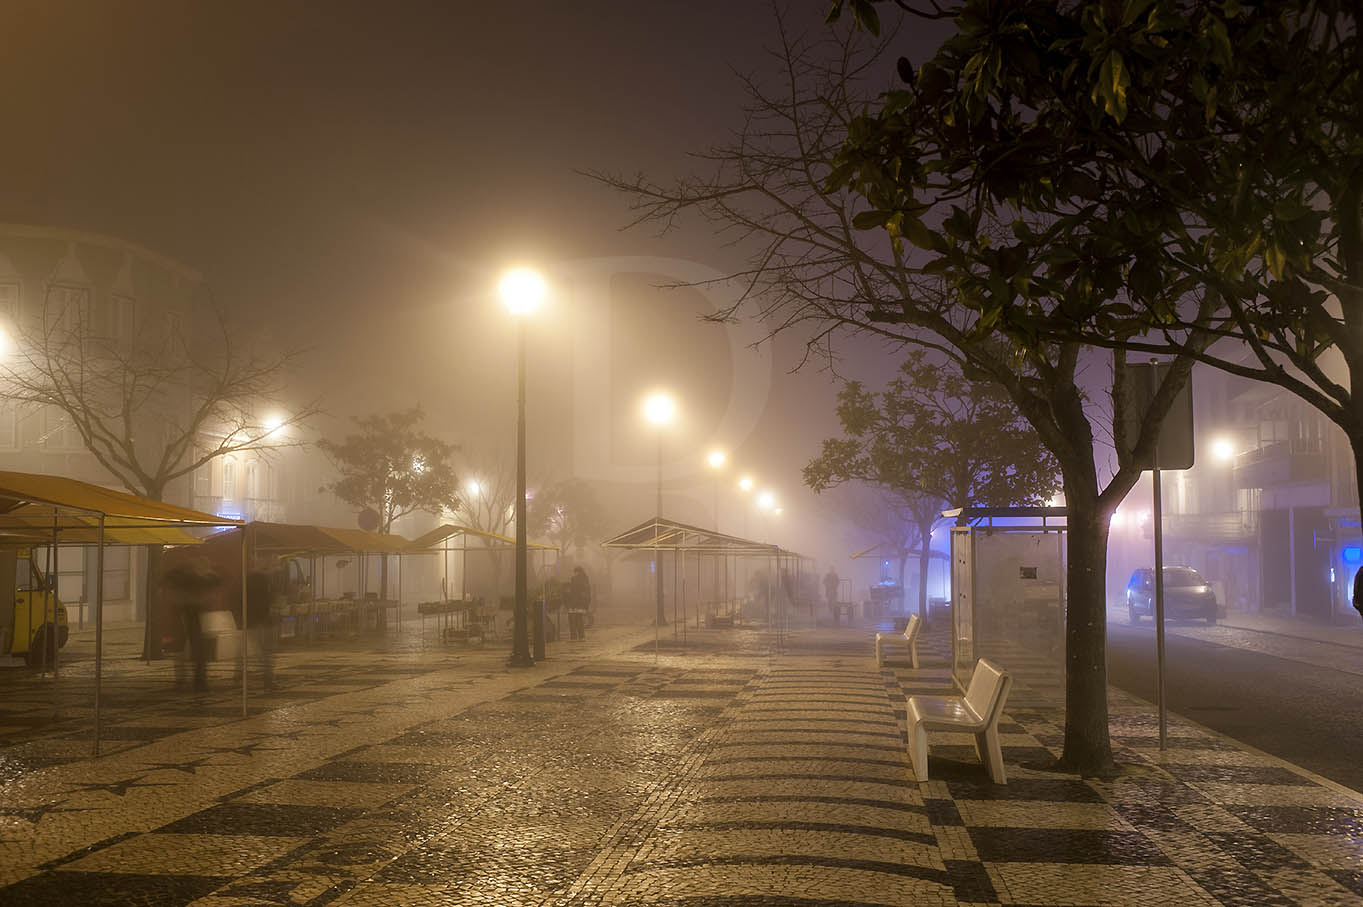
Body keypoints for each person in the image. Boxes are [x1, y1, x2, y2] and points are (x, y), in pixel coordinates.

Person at [164, 555, 222, 692]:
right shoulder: (194, 580)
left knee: (186, 651)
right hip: (191, 618)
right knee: (195, 651)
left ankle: (185, 679)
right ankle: (197, 681)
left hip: (189, 617)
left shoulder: (186, 579)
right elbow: (214, 582)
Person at [245, 560, 280, 690]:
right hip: (262, 620)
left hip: (256, 620)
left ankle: (267, 676)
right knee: (266, 651)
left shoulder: (252, 580)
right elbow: (267, 600)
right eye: (274, 567)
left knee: (263, 651)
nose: (275, 570)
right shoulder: (262, 581)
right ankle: (268, 678)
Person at [567, 566, 592, 641]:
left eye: (574, 572)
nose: (573, 574)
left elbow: (574, 592)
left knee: (572, 618)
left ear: (576, 572)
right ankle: (581, 636)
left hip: (575, 603)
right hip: (583, 603)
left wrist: (572, 604)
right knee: (579, 618)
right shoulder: (585, 579)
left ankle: (573, 637)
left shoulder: (575, 579)